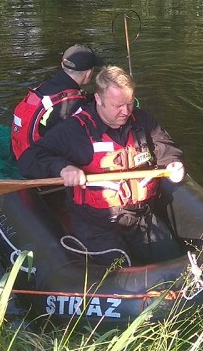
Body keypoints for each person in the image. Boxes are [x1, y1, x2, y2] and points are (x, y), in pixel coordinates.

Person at [18, 65, 186, 267]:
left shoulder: (141, 120)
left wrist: (174, 162)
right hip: (96, 224)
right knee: (121, 272)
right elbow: (30, 159)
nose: (126, 111)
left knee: (177, 261)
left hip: (141, 217)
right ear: (98, 99)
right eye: (118, 106)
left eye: (129, 103)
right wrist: (62, 168)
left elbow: (165, 146)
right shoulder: (75, 130)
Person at [10, 44, 104, 160]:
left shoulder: (46, 86)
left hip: (20, 149)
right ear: (89, 73)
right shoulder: (73, 103)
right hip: (39, 160)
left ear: (62, 65)